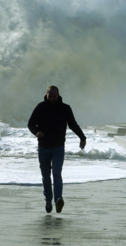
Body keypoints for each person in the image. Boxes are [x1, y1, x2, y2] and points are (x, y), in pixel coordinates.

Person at [27, 85, 87, 213]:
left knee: (56, 173)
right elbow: (30, 123)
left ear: (58, 95)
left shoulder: (65, 108)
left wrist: (82, 137)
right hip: (43, 147)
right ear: (46, 95)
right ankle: (48, 199)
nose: (52, 98)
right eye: (50, 96)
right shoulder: (40, 107)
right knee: (45, 176)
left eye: (54, 96)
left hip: (58, 148)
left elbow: (73, 124)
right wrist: (36, 132)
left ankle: (58, 199)